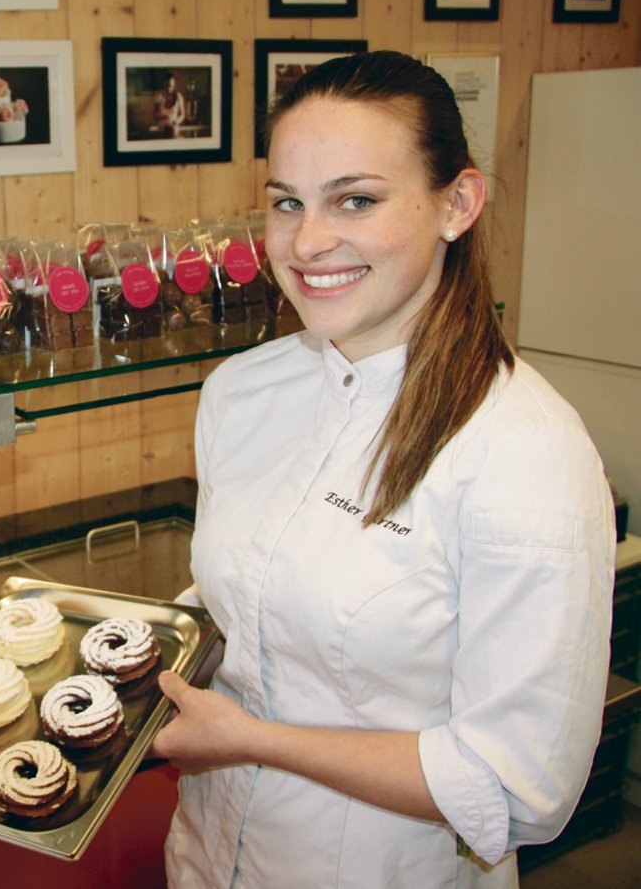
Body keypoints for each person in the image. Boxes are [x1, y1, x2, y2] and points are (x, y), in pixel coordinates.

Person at [152, 50, 614, 887]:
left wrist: (252, 739)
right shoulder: (241, 392)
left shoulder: (523, 450)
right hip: (208, 861)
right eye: (288, 202)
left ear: (457, 204)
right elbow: (243, 605)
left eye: (355, 200)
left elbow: (519, 789)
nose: (308, 240)